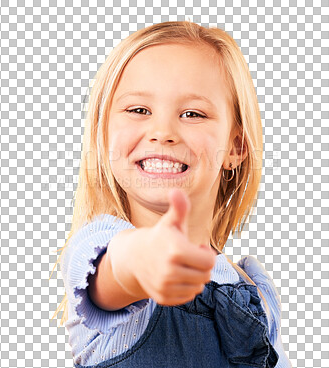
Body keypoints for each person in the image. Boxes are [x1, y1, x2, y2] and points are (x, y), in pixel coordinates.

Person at [50, 21, 292, 367]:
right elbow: (119, 267)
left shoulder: (255, 291)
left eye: (193, 114)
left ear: (236, 147)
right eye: (138, 110)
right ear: (103, 136)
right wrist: (145, 260)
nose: (162, 132)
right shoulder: (96, 250)